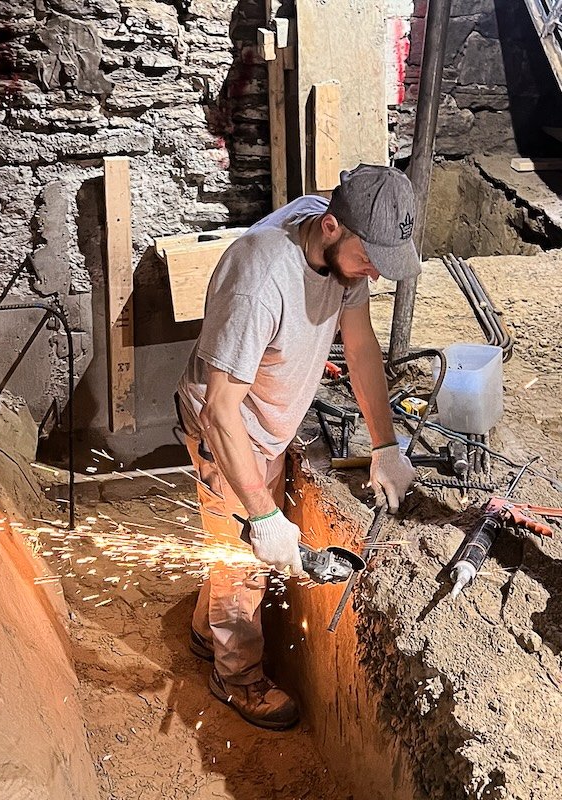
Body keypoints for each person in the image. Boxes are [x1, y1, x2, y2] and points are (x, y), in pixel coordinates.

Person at [175, 164, 420, 730]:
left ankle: (201, 630)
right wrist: (262, 514)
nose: (374, 275)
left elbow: (359, 346)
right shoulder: (260, 277)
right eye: (369, 259)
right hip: (227, 432)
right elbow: (220, 410)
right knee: (245, 561)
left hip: (269, 422)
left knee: (238, 547)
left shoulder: (344, 247)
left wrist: (385, 445)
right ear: (331, 226)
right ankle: (235, 676)